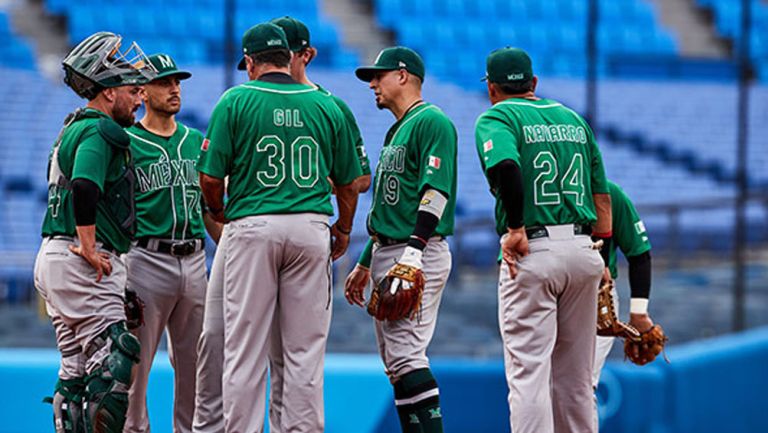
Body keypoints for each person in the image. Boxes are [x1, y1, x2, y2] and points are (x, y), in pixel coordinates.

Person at [191, 17, 372, 433]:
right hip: (310, 226)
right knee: (304, 352)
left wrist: (217, 211)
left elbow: (209, 178)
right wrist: (343, 229)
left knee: (245, 350)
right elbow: (351, 183)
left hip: (253, 225)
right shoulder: (328, 104)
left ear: (252, 61)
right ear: (289, 58)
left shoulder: (236, 100)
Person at [473, 47, 612, 433]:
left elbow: (506, 166)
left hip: (535, 249)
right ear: (533, 83)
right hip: (584, 252)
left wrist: (515, 227)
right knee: (576, 378)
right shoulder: (573, 119)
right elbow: (602, 197)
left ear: (492, 88)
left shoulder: (498, 115)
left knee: (529, 373)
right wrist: (602, 254)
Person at [33, 31, 156, 433]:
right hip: (81, 256)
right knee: (113, 364)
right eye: (132, 91)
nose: (139, 99)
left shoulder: (73, 126)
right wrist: (88, 246)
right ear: (107, 93)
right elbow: (85, 185)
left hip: (54, 254)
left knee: (76, 371)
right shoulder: (100, 130)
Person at [345, 46, 458, 433]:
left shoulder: (432, 122)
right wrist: (364, 261)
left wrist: (412, 255)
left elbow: (435, 194)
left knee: (408, 357)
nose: (372, 83)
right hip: (388, 249)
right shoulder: (398, 128)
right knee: (397, 364)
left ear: (404, 75)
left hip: (414, 252)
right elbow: (389, 208)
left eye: (379, 75)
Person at [123, 53, 222, 433]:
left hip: (195, 259)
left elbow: (210, 210)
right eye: (165, 82)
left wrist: (230, 252)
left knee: (196, 364)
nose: (175, 88)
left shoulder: (195, 140)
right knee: (135, 363)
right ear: (142, 91)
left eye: (177, 81)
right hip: (147, 258)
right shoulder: (128, 142)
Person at [592, 180, 655, 430]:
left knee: (580, 387)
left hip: (597, 301)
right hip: (551, 295)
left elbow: (639, 254)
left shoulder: (609, 193)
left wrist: (639, 313)